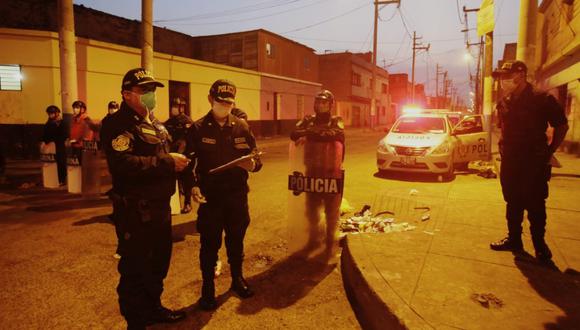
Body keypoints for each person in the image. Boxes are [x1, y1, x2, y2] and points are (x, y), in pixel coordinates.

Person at [100, 68, 189, 329]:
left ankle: (153, 308)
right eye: (144, 91)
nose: (151, 95)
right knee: (135, 269)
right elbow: (122, 164)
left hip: (161, 207)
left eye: (153, 90)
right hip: (136, 211)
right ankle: (136, 322)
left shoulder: (156, 123)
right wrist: (166, 161)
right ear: (127, 95)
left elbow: (166, 156)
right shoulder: (117, 124)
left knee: (159, 264)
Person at [185, 79, 262, 311]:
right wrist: (192, 186)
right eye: (221, 102)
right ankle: (207, 287)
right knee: (209, 244)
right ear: (211, 99)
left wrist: (252, 165)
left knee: (236, 240)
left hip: (236, 196)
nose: (225, 106)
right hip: (211, 198)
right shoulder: (197, 128)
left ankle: (237, 279)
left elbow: (256, 159)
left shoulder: (242, 126)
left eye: (229, 103)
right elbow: (189, 164)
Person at [490, 60, 569, 264]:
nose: (503, 80)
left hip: (533, 161)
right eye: (501, 77)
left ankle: (539, 245)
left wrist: (549, 150)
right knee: (512, 201)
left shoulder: (541, 99)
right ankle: (514, 239)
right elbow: (503, 129)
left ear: (521, 74)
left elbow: (561, 125)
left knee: (535, 204)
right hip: (511, 162)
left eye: (507, 76)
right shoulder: (504, 101)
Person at [290, 89, 345, 258]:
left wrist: (310, 133)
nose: (321, 105)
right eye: (319, 102)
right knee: (311, 210)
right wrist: (311, 132)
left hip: (331, 173)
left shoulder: (337, 121)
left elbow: (335, 134)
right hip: (311, 172)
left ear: (330, 105)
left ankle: (329, 243)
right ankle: (313, 239)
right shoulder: (308, 120)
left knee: (331, 212)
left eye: (325, 103)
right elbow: (294, 133)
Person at [165, 98, 195, 214]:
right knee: (172, 180)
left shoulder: (187, 122)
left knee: (186, 179)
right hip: (172, 155)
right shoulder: (169, 122)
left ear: (182, 108)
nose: (174, 109)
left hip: (184, 155)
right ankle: (174, 203)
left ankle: (188, 202)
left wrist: (189, 155)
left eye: (176, 106)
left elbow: (190, 140)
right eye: (173, 106)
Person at [41, 105, 68, 185]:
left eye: (52, 113)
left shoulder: (61, 123)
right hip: (51, 146)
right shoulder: (48, 123)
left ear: (56, 113)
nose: (50, 115)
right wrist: (44, 141)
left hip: (59, 146)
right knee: (52, 163)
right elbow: (45, 134)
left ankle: (62, 179)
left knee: (60, 162)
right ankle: (52, 178)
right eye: (49, 113)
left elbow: (64, 134)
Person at [69, 100, 98, 165]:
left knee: (82, 167)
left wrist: (78, 141)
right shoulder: (74, 119)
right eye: (74, 108)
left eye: (77, 108)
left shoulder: (86, 120)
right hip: (74, 146)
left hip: (83, 148)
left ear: (82, 109)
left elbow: (88, 135)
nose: (74, 109)